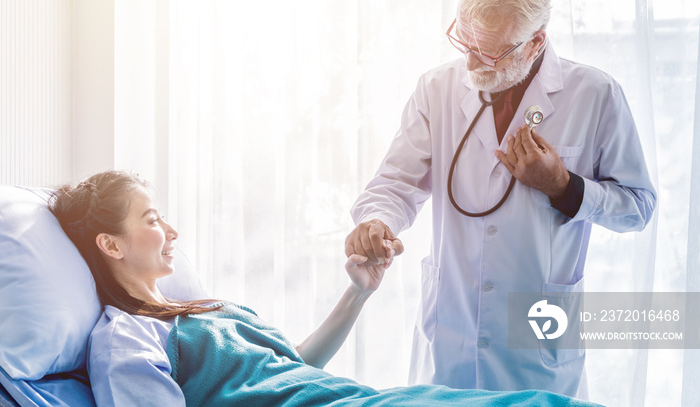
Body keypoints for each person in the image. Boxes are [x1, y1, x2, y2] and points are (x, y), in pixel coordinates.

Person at [346, 0, 656, 398]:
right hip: (449, 335)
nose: (472, 64)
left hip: (538, 344)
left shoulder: (595, 95)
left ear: (536, 42)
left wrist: (564, 188)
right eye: (466, 42)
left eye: (490, 51)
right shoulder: (436, 89)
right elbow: (396, 182)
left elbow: (639, 208)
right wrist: (378, 220)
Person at [50, 170, 602, 407]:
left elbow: (295, 364)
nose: (170, 230)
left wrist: (358, 292)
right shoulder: (127, 339)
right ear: (112, 245)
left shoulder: (196, 312)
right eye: (151, 218)